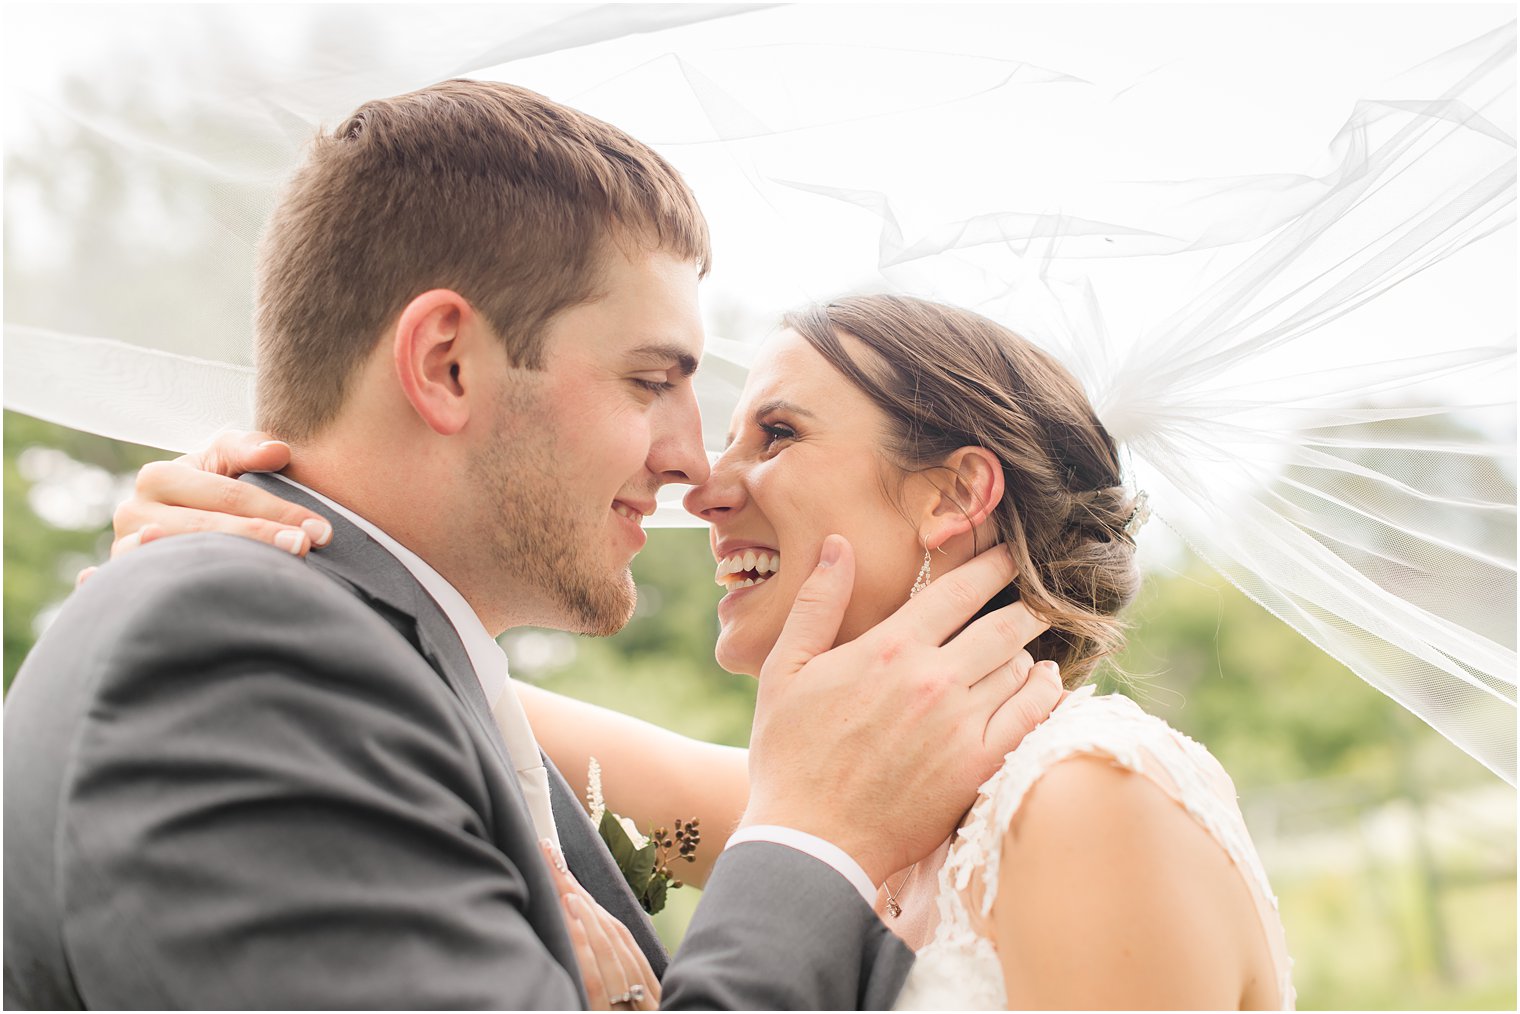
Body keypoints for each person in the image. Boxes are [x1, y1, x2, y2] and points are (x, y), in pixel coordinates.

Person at [2, 81, 1067, 1011]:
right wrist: (809, 846)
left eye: (772, 431)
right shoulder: (236, 653)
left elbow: (750, 805)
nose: (693, 469)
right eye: (652, 381)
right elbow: (799, 820)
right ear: (449, 365)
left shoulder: (367, 663)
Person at [111, 293, 1296, 1009]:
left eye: (774, 434)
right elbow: (452, 689)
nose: (706, 487)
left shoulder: (1090, 799)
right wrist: (262, 533)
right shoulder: (869, 806)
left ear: (951, 493)